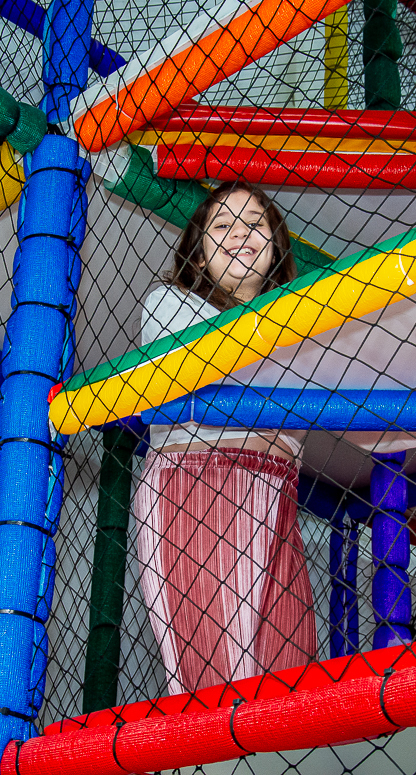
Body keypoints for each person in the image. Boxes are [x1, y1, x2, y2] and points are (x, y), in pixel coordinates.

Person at [133, 181, 314, 695]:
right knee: (214, 681)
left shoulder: (305, 322)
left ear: (277, 242)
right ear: (198, 247)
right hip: (196, 486)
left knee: (288, 674)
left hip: (278, 493)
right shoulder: (168, 304)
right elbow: (227, 364)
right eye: (222, 226)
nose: (241, 235)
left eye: (256, 224)